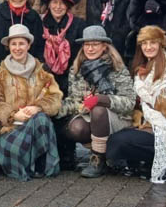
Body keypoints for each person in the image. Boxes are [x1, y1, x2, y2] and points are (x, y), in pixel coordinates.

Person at [106, 26, 166, 183]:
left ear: (161, 44)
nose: (148, 47)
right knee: (116, 141)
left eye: (153, 43)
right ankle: (147, 163)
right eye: (144, 43)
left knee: (118, 141)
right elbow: (140, 107)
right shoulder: (142, 70)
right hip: (150, 129)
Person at [0, 25, 63, 181]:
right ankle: (23, 163)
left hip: (37, 127)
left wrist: (38, 107)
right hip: (11, 128)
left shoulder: (43, 73)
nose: (17, 48)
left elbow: (55, 98)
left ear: (28, 45)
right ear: (8, 46)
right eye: (14, 44)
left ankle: (40, 164)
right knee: (17, 143)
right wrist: (13, 115)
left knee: (41, 119)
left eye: (21, 44)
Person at [57, 26, 136, 177]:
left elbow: (129, 102)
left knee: (98, 109)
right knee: (76, 128)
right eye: (87, 44)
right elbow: (74, 99)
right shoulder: (77, 69)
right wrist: (53, 108)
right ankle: (108, 154)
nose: (90, 48)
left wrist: (101, 99)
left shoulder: (117, 68)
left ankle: (98, 160)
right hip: (88, 115)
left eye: (95, 44)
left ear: (104, 46)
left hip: (117, 117)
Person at [38, 0, 86, 95]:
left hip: (72, 79)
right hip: (45, 78)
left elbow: (82, 54)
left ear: (67, 5)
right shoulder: (40, 24)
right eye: (54, 2)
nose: (58, 7)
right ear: (49, 4)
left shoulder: (79, 24)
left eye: (62, 3)